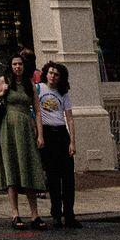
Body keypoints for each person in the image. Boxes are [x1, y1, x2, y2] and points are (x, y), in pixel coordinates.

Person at [0, 53, 46, 228]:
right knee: (11, 166)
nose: (17, 67)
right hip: (8, 128)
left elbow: (36, 110)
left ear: (24, 65)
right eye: (14, 64)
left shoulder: (29, 83)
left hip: (26, 127)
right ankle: (15, 214)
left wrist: (40, 134)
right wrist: (2, 92)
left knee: (28, 166)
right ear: (10, 66)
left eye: (20, 64)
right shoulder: (4, 80)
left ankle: (34, 214)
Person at [37, 61, 78, 227]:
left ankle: (69, 214)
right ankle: (56, 214)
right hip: (47, 134)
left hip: (61, 133)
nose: (53, 76)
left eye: (56, 74)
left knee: (68, 178)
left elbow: (69, 117)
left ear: (61, 78)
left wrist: (72, 141)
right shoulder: (38, 88)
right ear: (46, 73)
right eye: (51, 73)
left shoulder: (63, 93)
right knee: (53, 177)